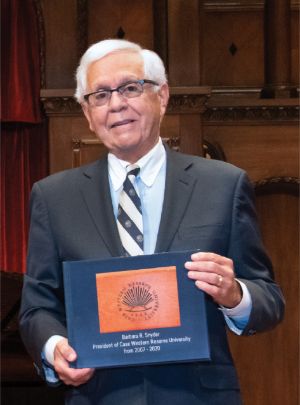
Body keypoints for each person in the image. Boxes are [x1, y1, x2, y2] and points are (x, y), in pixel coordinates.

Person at [19, 39, 285, 405]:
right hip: (97, 396)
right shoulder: (53, 197)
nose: (116, 104)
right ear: (87, 114)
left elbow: (269, 298)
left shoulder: (223, 185)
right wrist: (53, 348)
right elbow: (37, 306)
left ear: (162, 96)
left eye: (130, 88)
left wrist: (235, 294)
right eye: (99, 95)